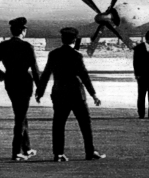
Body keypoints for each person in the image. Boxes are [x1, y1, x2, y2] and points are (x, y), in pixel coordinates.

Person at [35, 27, 105, 162]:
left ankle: (58, 154)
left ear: (62, 39)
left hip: (59, 93)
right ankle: (90, 152)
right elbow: (84, 76)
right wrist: (93, 95)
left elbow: (46, 74)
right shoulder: (77, 55)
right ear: (74, 40)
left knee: (58, 124)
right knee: (85, 123)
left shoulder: (53, 54)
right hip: (76, 94)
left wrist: (40, 92)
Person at [0, 17, 40, 161]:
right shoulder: (27, 46)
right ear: (23, 31)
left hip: (10, 83)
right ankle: (16, 152)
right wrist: (40, 88)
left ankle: (27, 148)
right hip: (24, 83)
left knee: (21, 114)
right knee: (20, 117)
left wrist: (4, 77)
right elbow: (35, 70)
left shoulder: (3, 45)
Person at [133, 31, 149, 119]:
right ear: (148, 39)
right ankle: (141, 113)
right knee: (141, 95)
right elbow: (135, 63)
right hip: (142, 75)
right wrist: (137, 74)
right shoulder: (139, 48)